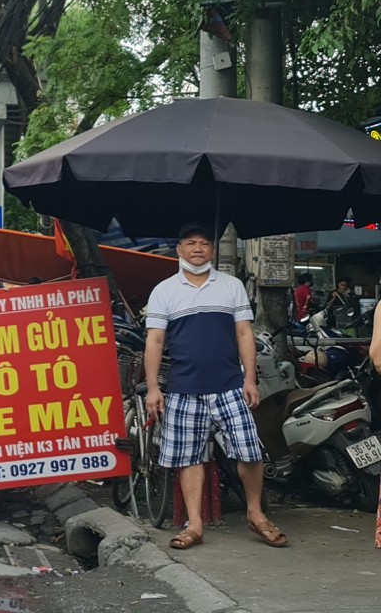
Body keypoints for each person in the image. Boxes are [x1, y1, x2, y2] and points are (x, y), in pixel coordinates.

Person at [144, 223, 286, 551]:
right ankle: (194, 524)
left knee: (249, 451)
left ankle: (255, 513)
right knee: (189, 458)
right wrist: (154, 388)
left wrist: (250, 379)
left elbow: (244, 334)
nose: (198, 248)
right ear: (179, 250)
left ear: (212, 250)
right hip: (183, 388)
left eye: (204, 243)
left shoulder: (232, 286)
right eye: (190, 243)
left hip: (229, 385)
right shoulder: (164, 290)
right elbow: (155, 340)